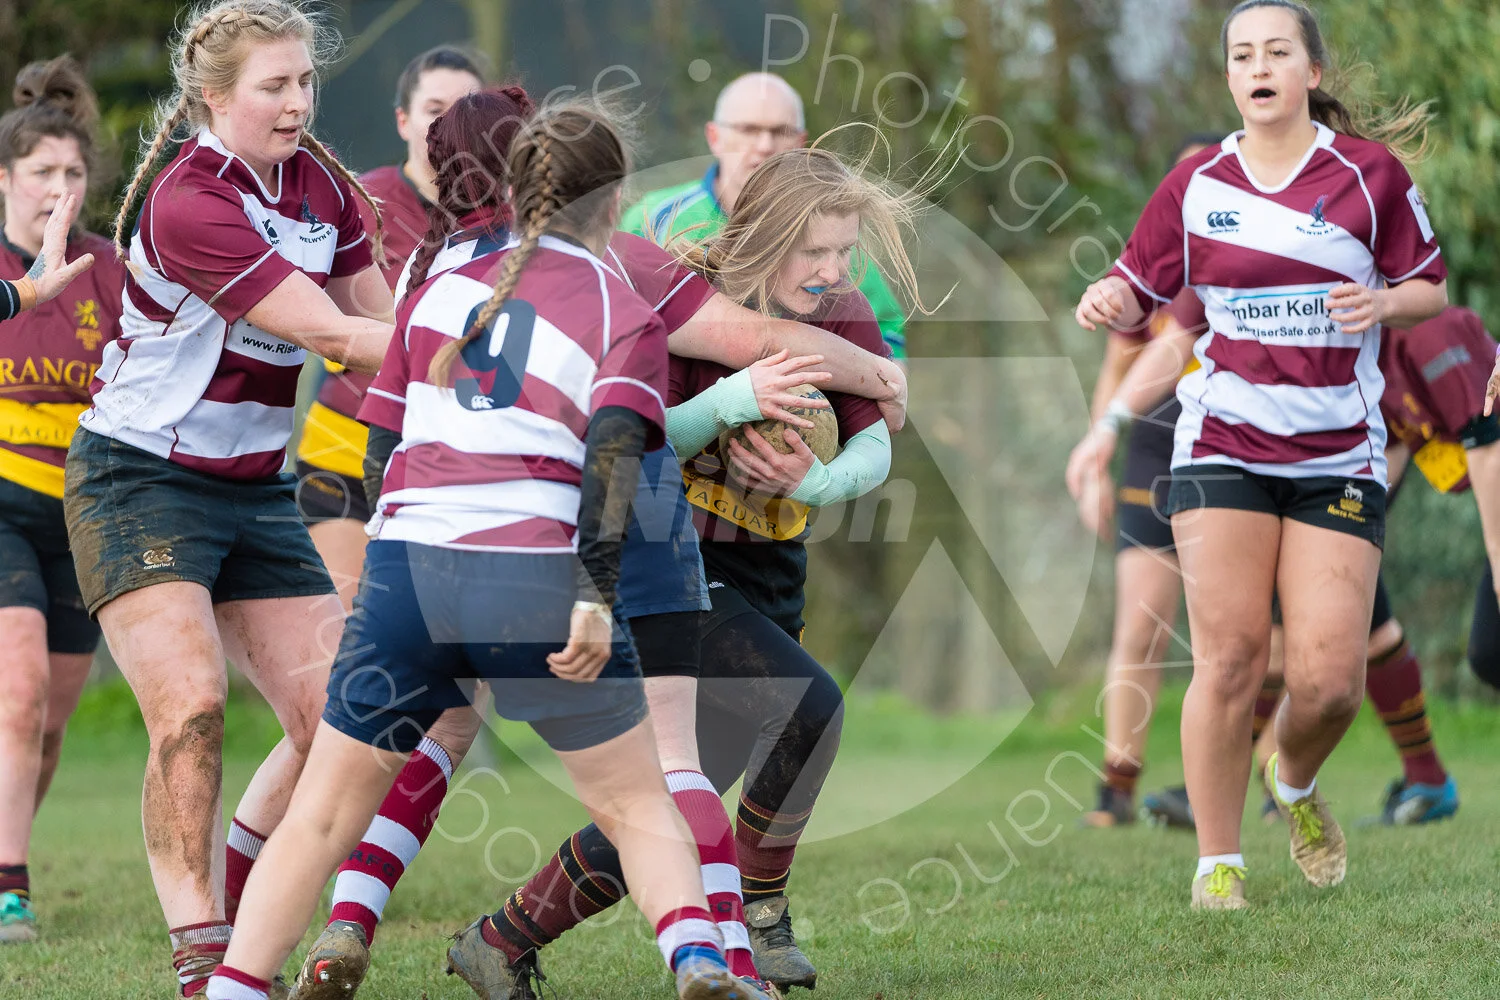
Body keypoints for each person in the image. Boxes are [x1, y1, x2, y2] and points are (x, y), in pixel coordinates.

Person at [290, 94, 908, 1000]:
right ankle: (754, 934)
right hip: (658, 559)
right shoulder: (648, 272)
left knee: (658, 788)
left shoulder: (833, 313)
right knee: (799, 714)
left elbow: (875, 428)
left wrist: (817, 474)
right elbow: (639, 425)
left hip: (753, 566)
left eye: (841, 252)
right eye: (813, 251)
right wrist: (745, 402)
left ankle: (499, 939)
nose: (830, 268)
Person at [204, 101, 776, 1000]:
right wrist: (592, 595)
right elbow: (616, 459)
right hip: (532, 578)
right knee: (634, 803)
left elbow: (381, 447)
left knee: (319, 816)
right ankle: (697, 959)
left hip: (408, 576)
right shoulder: (615, 302)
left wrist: (391, 576)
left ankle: (236, 986)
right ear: (615, 197)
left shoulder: (434, 289)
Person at [1074, 0, 1446, 909]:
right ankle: (1219, 866)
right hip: (1222, 445)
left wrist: (1382, 307)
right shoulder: (1198, 183)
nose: (1259, 66)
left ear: (1310, 73)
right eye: (1243, 54)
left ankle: (1294, 782)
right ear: (1232, 77)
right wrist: (1108, 302)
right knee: (1229, 660)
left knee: (1327, 682)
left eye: (1278, 50)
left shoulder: (1369, 176)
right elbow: (1140, 283)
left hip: (1335, 453)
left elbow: (1429, 288)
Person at [62, 2, 395, 992]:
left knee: (353, 716)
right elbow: (336, 338)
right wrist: (494, 347)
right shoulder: (188, 198)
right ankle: (204, 959)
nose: (298, 103)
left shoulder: (326, 187)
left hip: (253, 490)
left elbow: (386, 327)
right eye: (274, 86)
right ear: (215, 97)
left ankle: (266, 892)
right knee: (192, 704)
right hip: (138, 478)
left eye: (305, 82)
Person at [0, 55, 126, 943]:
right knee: (18, 691)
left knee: (47, 727)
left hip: (80, 514)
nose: (59, 187)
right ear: (5, 179)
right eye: (42, 171)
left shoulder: (108, 270)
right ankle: (10, 890)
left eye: (74, 173)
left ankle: (9, 855)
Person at [294, 45, 488, 611]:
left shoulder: (512, 223)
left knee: (449, 670)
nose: (449, 125)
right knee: (353, 642)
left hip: (459, 460)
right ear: (403, 121)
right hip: (347, 449)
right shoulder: (356, 200)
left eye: (467, 110)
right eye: (434, 108)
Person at [1069, 135, 1218, 829]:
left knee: (1234, 634)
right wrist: (1096, 456)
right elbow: (1116, 368)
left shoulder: (1256, 260)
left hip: (1233, 450)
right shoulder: (1145, 273)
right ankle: (1117, 789)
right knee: (1141, 627)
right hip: (1152, 453)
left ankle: (1250, 786)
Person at [623, 72, 908, 359]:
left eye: (779, 131)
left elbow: (886, 341)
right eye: (748, 129)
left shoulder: (833, 235)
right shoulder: (654, 217)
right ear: (714, 137)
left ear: (800, 143)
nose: (764, 146)